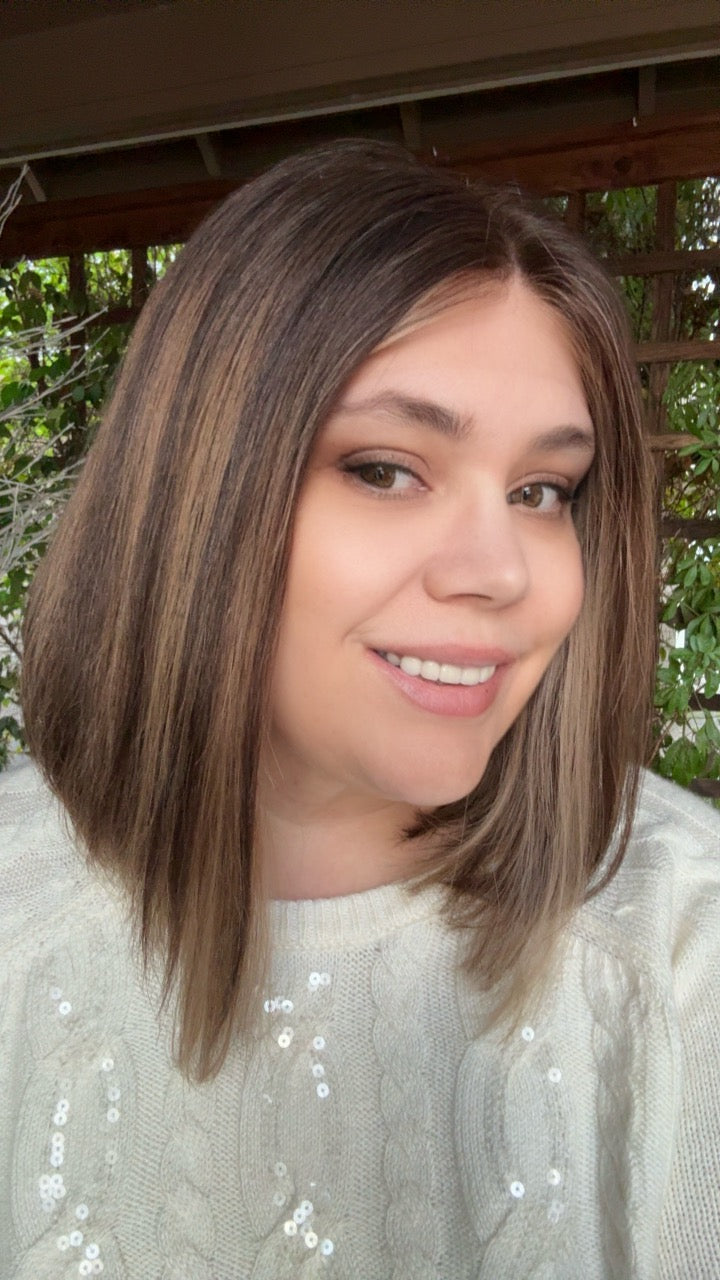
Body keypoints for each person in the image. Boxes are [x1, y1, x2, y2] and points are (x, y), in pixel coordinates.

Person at [1, 139, 718, 1280]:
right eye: (385, 468)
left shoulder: (684, 948)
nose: (500, 571)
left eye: (542, 491)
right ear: (198, 486)